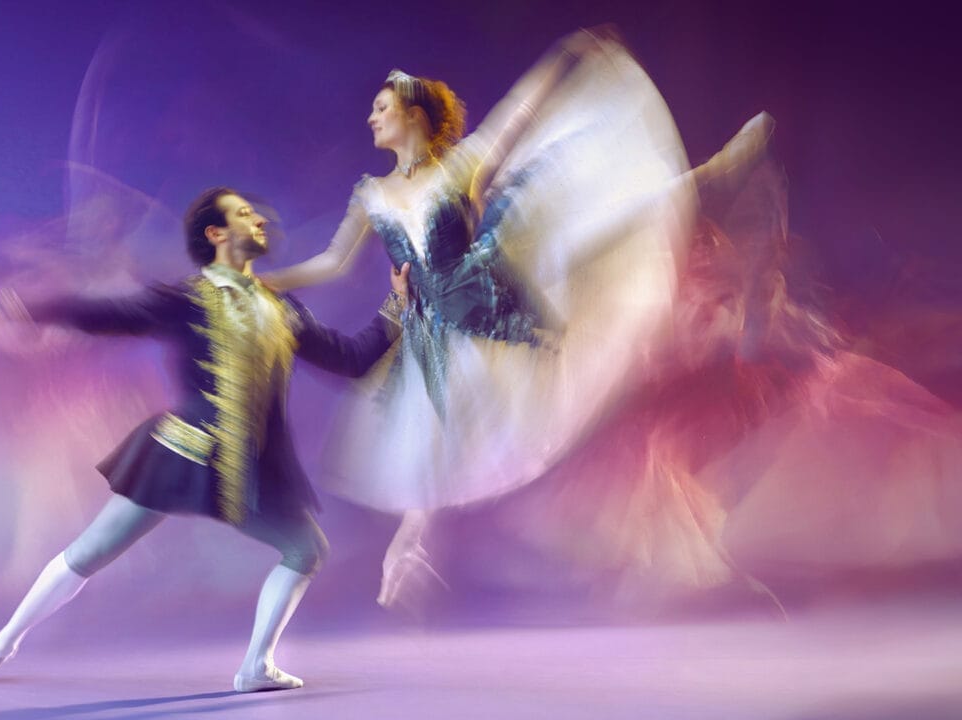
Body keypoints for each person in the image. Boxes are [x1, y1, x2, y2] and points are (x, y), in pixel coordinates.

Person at [261, 30, 773, 605]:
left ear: (413, 116)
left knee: (573, 227)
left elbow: (516, 115)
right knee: (426, 429)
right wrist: (261, 282)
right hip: (432, 323)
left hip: (487, 296)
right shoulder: (371, 194)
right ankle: (411, 543)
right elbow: (332, 261)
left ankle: (705, 176)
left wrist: (559, 63)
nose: (371, 117)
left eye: (382, 108)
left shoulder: (459, 168)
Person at [0, 187, 409, 692]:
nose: (259, 219)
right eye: (243, 214)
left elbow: (351, 360)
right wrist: (18, 306)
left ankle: (255, 666)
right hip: (182, 454)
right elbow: (103, 315)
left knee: (305, 551)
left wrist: (397, 305)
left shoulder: (283, 309)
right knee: (89, 553)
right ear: (215, 234)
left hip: (250, 469)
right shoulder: (186, 298)